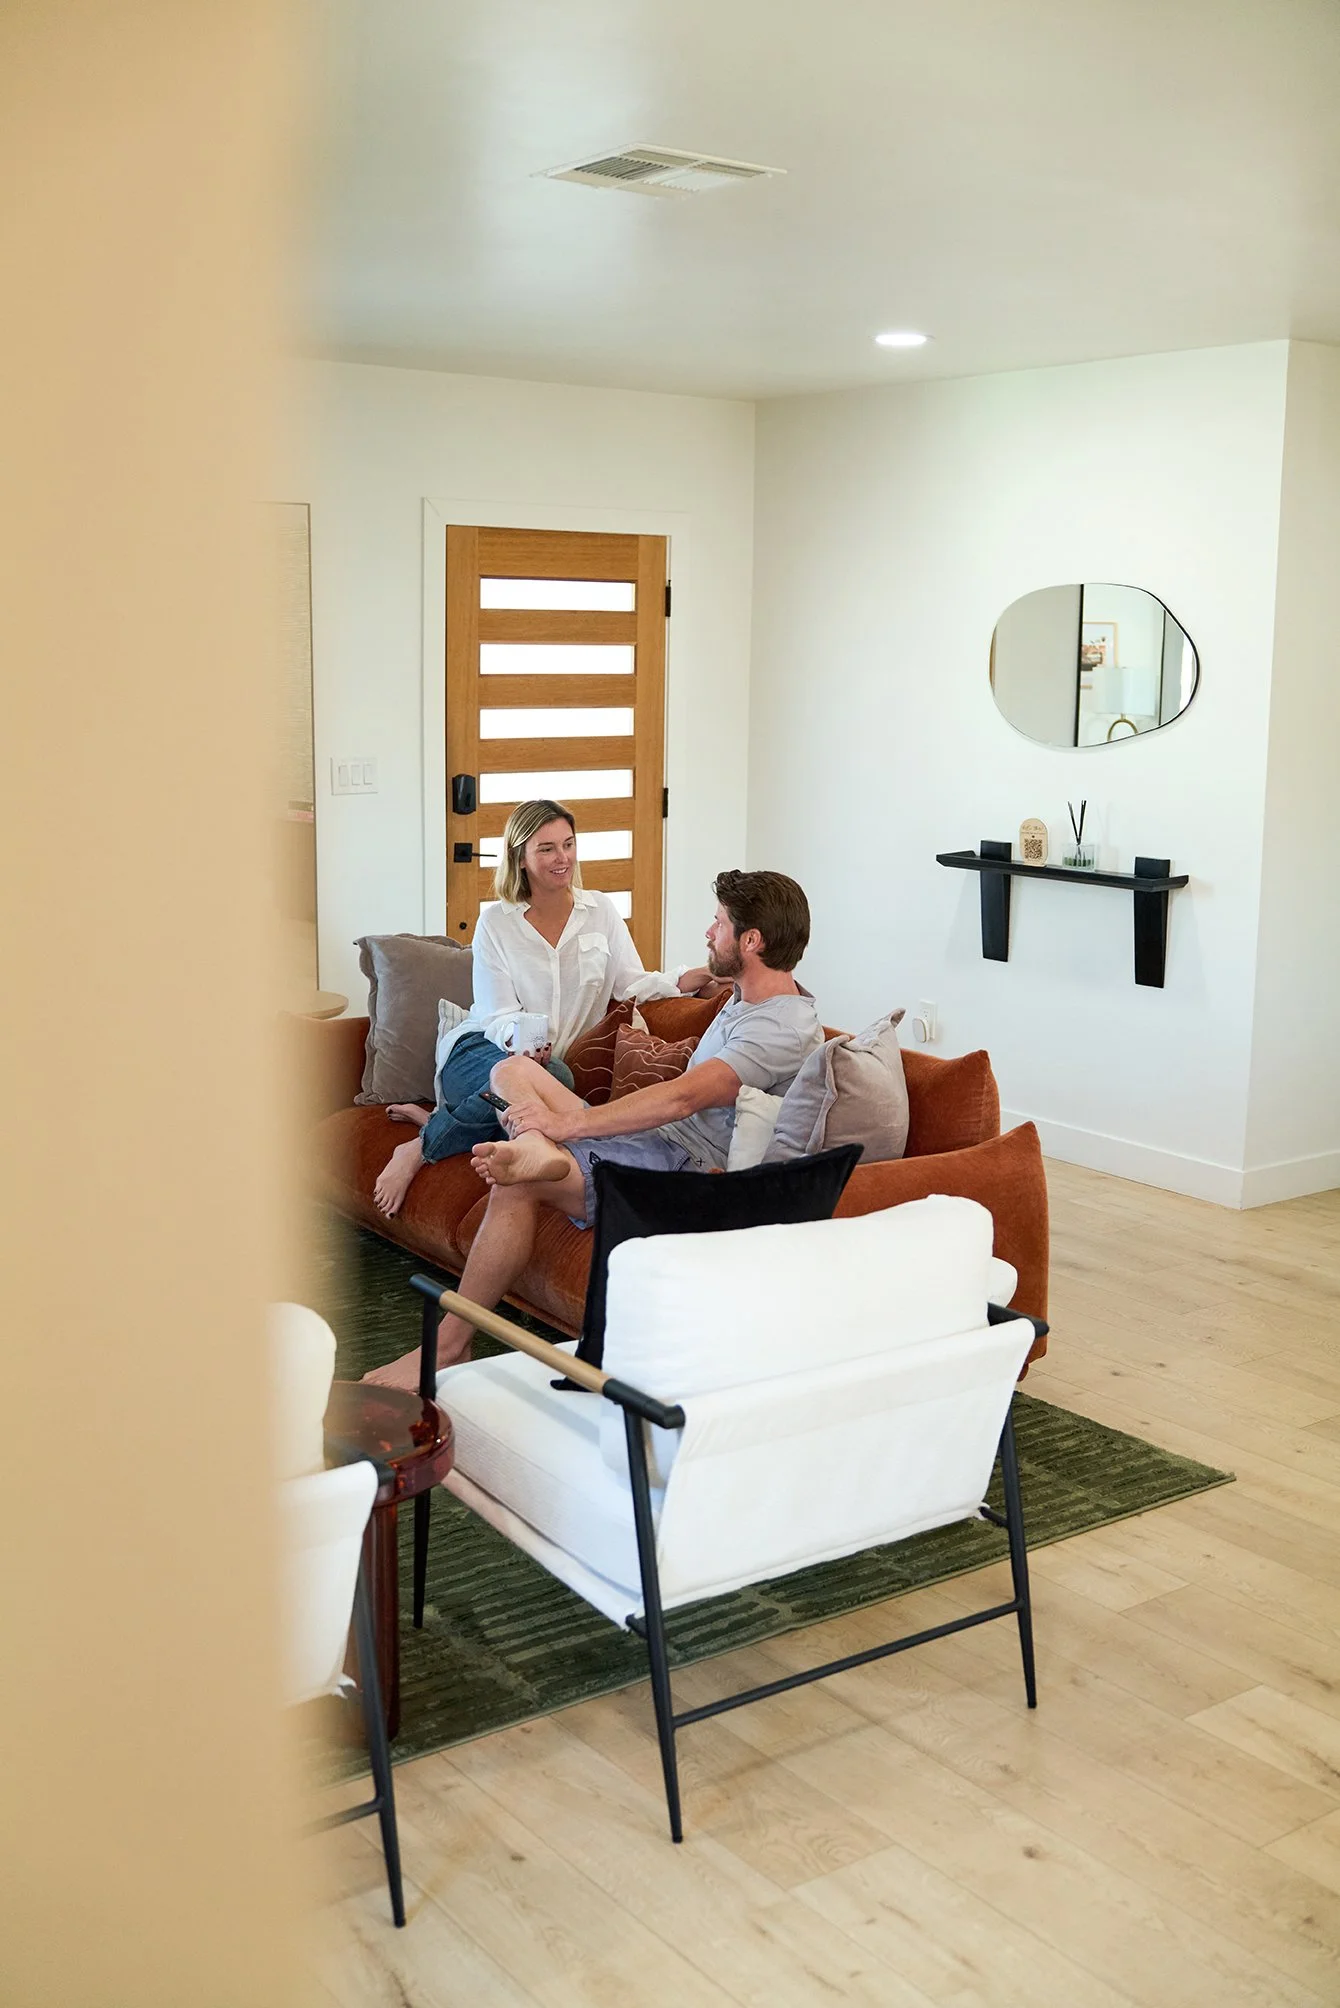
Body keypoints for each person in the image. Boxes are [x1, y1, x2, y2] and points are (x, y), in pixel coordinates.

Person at [365, 869, 821, 1390]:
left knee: (517, 1183)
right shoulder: (748, 995)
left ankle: (448, 1346)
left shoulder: (781, 1028)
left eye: (719, 924)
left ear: (752, 941)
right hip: (655, 1142)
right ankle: (536, 1146)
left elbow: (683, 1097)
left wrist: (567, 1123)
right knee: (512, 1070)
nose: (708, 932)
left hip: (681, 1168)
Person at [370, 798, 709, 1220]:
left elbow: (630, 984)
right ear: (520, 857)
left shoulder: (600, 912)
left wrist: (689, 977)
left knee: (554, 1077)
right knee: (554, 1076)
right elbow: (495, 1016)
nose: (562, 858)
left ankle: (437, 1124)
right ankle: (418, 1149)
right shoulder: (496, 923)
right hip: (481, 1050)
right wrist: (523, 1045)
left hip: (543, 1070)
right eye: (546, 848)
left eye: (568, 844)